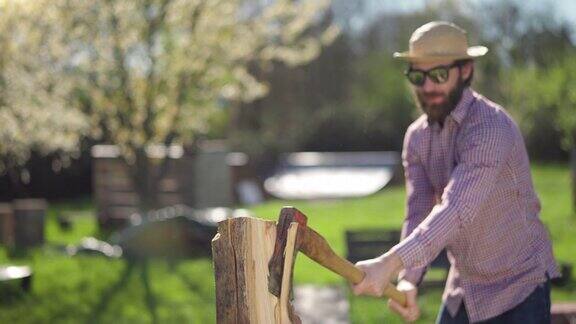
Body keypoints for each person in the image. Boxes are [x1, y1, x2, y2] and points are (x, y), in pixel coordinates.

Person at [351, 21, 559, 324]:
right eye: (417, 76)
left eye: (439, 74)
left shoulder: (490, 128)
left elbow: (457, 209)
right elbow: (419, 211)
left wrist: (389, 263)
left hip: (519, 287)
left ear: (465, 71)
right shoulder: (417, 138)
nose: (428, 87)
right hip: (465, 288)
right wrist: (409, 278)